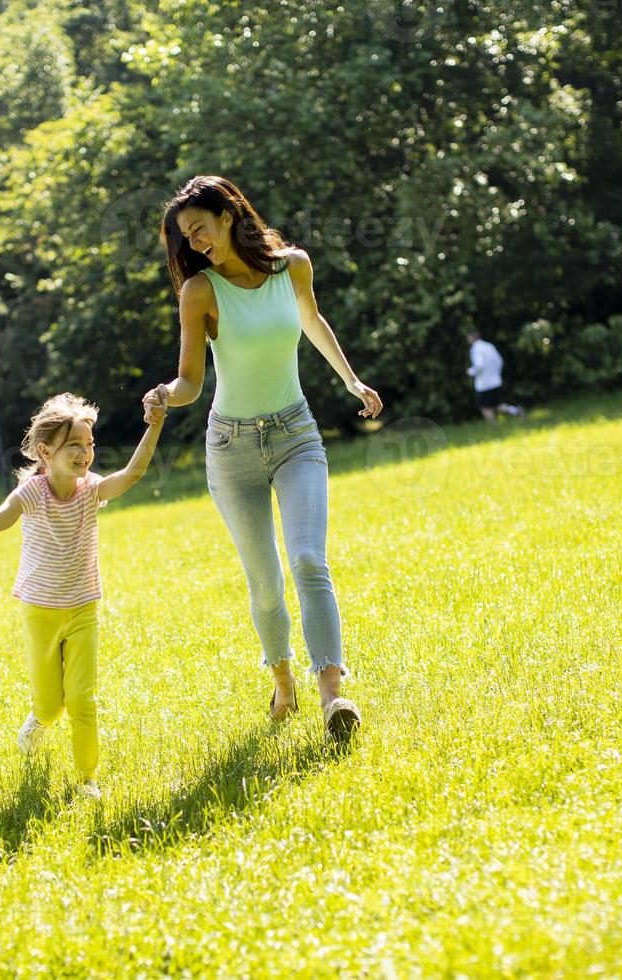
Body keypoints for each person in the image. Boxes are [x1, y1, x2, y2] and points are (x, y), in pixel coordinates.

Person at [142, 174, 382, 743]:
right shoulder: (200, 292)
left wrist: (350, 380)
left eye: (200, 228)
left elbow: (311, 321)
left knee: (307, 559)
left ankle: (332, 693)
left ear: (227, 215)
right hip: (231, 448)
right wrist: (163, 395)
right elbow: (191, 381)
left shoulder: (292, 266)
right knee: (266, 582)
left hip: (296, 432)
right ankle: (282, 679)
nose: (195, 242)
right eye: (185, 237)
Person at [0, 393, 166, 800]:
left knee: (83, 699)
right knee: (52, 707)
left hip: (84, 609)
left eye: (89, 444)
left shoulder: (92, 491)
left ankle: (88, 779)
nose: (85, 453)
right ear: (45, 452)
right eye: (74, 445)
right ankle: (38, 722)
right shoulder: (32, 494)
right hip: (40, 612)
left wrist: (154, 424)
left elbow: (135, 473)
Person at [466, 329, 525, 424]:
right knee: (495, 405)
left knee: (485, 407)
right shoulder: (488, 345)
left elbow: (479, 366)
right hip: (495, 381)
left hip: (484, 384)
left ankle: (494, 428)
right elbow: (499, 361)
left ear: (471, 337)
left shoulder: (476, 348)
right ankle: (515, 410)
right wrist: (495, 374)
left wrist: (470, 372)